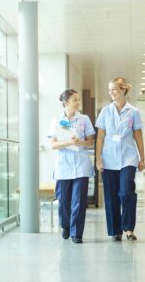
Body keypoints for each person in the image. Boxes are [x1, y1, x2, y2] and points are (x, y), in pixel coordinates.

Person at [95, 77, 145, 242]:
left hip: (128, 158)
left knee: (126, 192)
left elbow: (138, 135)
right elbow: (100, 136)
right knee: (111, 196)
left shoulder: (134, 112)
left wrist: (142, 158)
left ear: (123, 90)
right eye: (109, 90)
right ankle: (115, 231)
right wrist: (98, 158)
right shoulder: (105, 111)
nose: (111, 93)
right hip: (109, 159)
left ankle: (128, 228)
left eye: (114, 89)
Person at [48, 89, 95, 244]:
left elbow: (90, 141)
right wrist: (69, 142)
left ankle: (77, 233)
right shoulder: (57, 120)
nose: (78, 102)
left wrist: (80, 142)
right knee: (63, 200)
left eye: (78, 99)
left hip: (81, 164)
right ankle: (66, 225)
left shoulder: (84, 119)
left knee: (79, 200)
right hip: (63, 165)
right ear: (66, 102)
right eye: (75, 100)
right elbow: (53, 145)